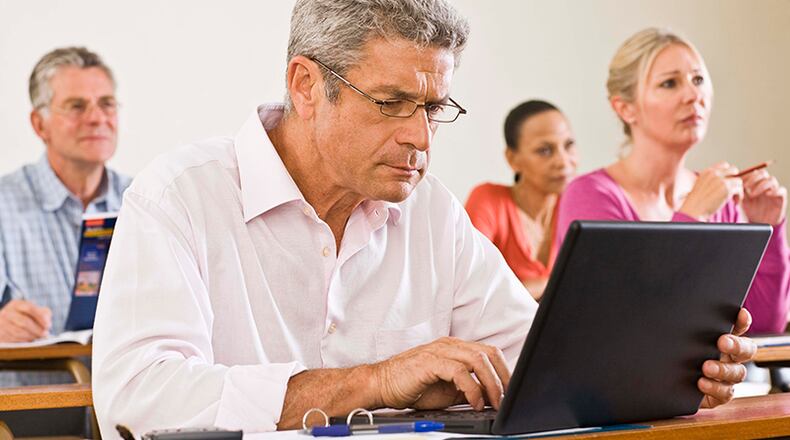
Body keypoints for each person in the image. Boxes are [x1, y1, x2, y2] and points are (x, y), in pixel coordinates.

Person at [92, 3, 755, 435]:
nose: (422, 140)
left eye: (434, 107)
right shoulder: (178, 197)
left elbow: (534, 353)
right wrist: (376, 382)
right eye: (391, 103)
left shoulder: (430, 210)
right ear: (303, 86)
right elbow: (136, 396)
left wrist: (670, 368)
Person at [556, 28, 790, 334]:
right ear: (625, 108)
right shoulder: (590, 196)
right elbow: (628, 325)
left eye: (698, 79)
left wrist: (770, 228)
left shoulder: (719, 199)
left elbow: (764, 327)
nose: (694, 95)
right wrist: (693, 217)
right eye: (669, 83)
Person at [0, 47, 131, 435]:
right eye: (76, 106)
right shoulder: (3, 204)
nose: (96, 117)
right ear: (39, 125)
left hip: (128, 405)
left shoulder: (148, 198)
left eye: (106, 103)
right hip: (31, 411)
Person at [466, 100, 577, 301]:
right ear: (512, 159)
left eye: (568, 145)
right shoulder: (489, 200)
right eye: (545, 150)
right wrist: (554, 284)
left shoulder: (578, 206)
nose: (563, 161)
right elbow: (471, 289)